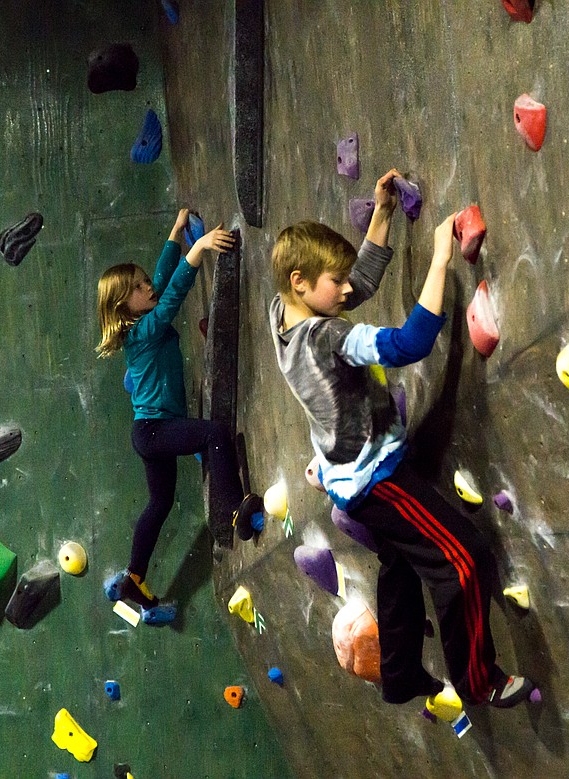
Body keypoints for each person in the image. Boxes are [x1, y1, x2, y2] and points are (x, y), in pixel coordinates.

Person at [269, 170, 534, 708]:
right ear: (300, 282)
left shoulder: (283, 315)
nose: (347, 290)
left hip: (344, 473)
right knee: (464, 562)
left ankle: (401, 674)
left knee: (398, 566)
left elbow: (354, 289)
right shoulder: (329, 338)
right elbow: (411, 342)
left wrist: (382, 216)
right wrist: (438, 260)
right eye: (333, 281)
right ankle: (478, 681)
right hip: (376, 480)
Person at [95, 209, 261, 625]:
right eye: (138, 287)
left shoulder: (139, 322)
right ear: (123, 305)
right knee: (214, 434)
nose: (147, 286)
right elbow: (169, 298)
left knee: (160, 501)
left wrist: (174, 234)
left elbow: (161, 281)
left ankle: (134, 576)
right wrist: (200, 249)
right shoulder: (143, 331)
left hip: (150, 430)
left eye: (143, 280)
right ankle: (237, 508)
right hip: (154, 430)